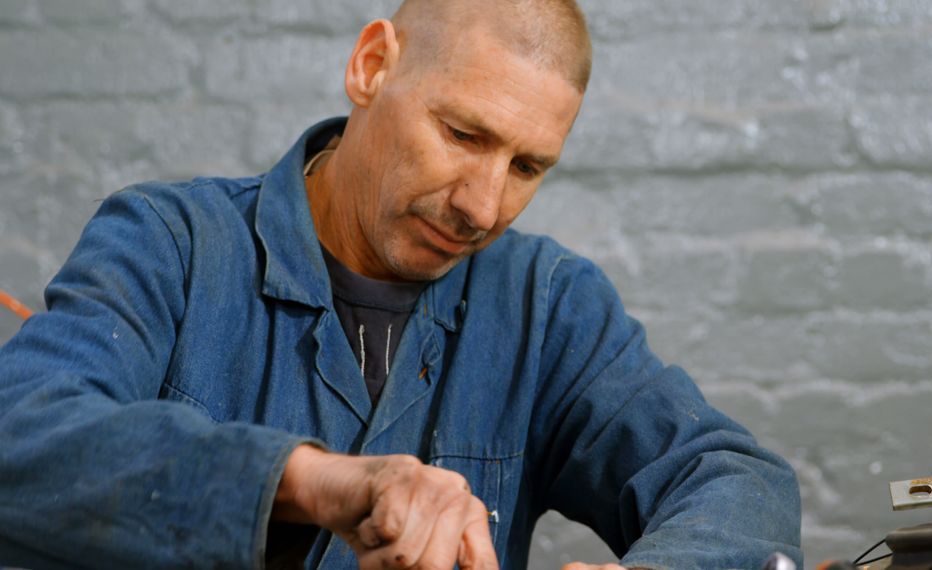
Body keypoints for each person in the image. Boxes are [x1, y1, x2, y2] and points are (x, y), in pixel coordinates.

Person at [0, 0, 802, 568]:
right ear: (371, 66)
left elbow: (734, 478)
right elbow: (19, 444)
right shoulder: (169, 244)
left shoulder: (547, 305)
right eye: (462, 134)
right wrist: (311, 483)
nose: (483, 206)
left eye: (527, 167)